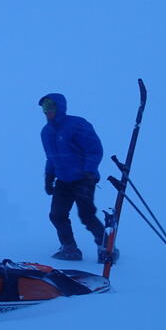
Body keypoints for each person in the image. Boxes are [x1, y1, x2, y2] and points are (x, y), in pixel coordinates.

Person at [39, 93, 104, 261]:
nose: (48, 112)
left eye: (51, 107)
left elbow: (94, 149)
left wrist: (89, 171)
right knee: (57, 215)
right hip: (63, 180)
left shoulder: (77, 124)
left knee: (86, 215)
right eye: (45, 109)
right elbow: (51, 157)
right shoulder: (46, 132)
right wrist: (49, 176)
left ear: (59, 107)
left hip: (83, 178)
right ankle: (70, 249)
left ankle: (106, 247)